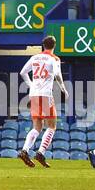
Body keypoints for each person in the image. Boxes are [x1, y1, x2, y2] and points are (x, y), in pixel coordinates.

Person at [17, 36, 66, 168]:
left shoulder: (35, 58)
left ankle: (25, 150)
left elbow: (23, 72)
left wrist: (31, 84)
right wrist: (63, 89)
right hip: (45, 94)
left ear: (43, 45)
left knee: (37, 127)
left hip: (33, 94)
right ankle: (41, 152)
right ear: (54, 45)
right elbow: (57, 75)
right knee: (52, 126)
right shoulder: (54, 58)